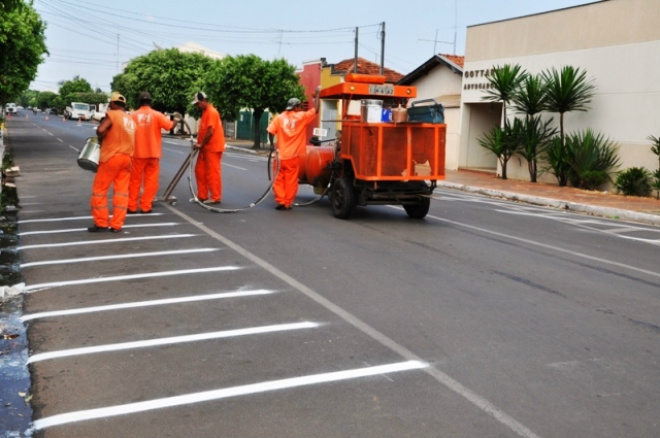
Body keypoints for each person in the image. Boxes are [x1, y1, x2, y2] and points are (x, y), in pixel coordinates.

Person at [88, 91, 136, 233]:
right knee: (121, 192)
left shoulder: (113, 114)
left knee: (99, 190)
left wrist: (101, 131)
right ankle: (117, 225)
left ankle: (101, 222)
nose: (109, 105)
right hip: (127, 159)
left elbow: (101, 129)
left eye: (110, 103)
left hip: (111, 157)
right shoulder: (131, 120)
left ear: (114, 104)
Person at [267, 88, 320, 210]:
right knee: (291, 180)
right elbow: (315, 110)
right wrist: (317, 95)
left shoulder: (279, 118)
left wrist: (271, 145)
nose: (300, 108)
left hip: (280, 156)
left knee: (278, 179)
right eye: (299, 106)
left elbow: (270, 131)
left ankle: (280, 200)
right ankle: (287, 203)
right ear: (296, 107)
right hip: (293, 157)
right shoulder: (301, 117)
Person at [128, 91, 180, 214]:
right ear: (150, 102)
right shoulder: (157, 115)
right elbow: (170, 126)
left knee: (134, 181)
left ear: (139, 102)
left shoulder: (133, 116)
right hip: (153, 154)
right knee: (151, 181)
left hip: (137, 154)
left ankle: (132, 206)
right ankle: (146, 206)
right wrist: (176, 119)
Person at [191, 91, 225, 205]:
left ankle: (215, 197)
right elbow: (205, 130)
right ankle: (202, 195)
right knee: (199, 171)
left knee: (212, 173)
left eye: (197, 103)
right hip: (205, 148)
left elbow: (210, 132)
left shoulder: (211, 112)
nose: (197, 106)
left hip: (212, 148)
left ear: (203, 101)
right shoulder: (205, 112)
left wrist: (201, 144)